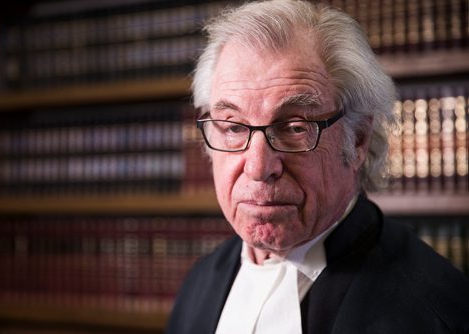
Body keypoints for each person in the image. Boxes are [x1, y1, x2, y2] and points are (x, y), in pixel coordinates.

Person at [166, 1, 469, 333]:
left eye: (295, 127)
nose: (257, 167)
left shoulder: (434, 312)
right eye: (234, 127)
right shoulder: (199, 281)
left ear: (357, 140)